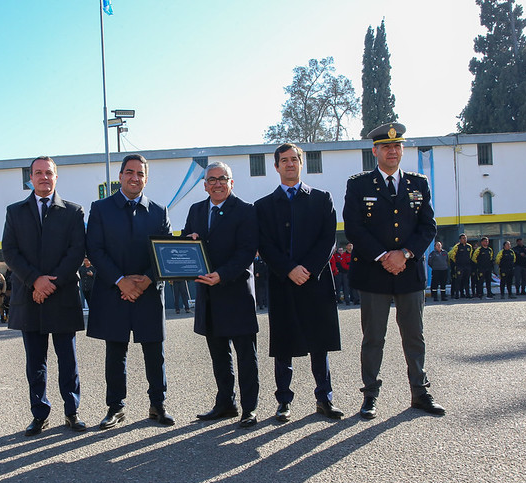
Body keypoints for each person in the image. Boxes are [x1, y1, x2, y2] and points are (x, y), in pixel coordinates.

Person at [343, 122, 445, 419]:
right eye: (386, 146)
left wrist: (405, 254)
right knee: (373, 337)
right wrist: (384, 256)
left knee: (414, 336)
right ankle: (370, 395)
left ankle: (420, 392)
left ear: (402, 150)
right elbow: (354, 228)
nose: (392, 151)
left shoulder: (418, 183)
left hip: (409, 271)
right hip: (374, 273)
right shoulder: (359, 184)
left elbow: (428, 226)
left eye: (397, 146)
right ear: (375, 151)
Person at [255, 143, 344, 422]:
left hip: (315, 281)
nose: (290, 164)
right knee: (284, 345)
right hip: (283, 283)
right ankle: (283, 401)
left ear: (301, 164)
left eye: (295, 159)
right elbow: (264, 244)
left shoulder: (322, 198)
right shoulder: (263, 206)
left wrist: (308, 268)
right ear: (276, 166)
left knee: (320, 343)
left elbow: (328, 239)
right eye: (284, 160)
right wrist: (289, 269)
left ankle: (324, 398)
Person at [86, 154, 175, 429]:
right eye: (129, 172)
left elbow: (165, 252)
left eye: (140, 173)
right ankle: (115, 407)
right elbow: (95, 249)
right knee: (115, 352)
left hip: (148, 292)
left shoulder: (159, 211)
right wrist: (121, 281)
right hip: (114, 291)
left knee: (154, 351)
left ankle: (157, 405)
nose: (134, 177)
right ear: (121, 176)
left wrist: (146, 281)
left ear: (146, 178)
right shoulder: (100, 209)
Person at [2, 155, 88, 436]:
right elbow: (10, 252)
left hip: (61, 296)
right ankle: (39, 414)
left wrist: (50, 284)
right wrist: (35, 281)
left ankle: (71, 412)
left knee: (68, 360)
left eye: (48, 173)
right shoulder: (15, 212)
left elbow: (76, 252)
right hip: (29, 297)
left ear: (56, 177)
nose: (43, 177)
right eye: (38, 173)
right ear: (30, 177)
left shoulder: (73, 212)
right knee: (35, 362)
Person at [183, 161, 260, 427]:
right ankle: (226, 403)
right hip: (209, 295)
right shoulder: (196, 210)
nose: (217, 183)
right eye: (212, 179)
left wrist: (223, 274)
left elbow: (247, 251)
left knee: (246, 356)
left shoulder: (246, 211)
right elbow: (184, 244)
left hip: (235, 292)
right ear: (205, 185)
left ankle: (249, 408)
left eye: (222, 178)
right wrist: (189, 239)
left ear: (231, 182)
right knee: (219, 355)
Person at [448, 234, 473, 298]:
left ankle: (467, 294)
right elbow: (452, 256)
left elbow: (470, 255)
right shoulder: (457, 246)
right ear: (460, 239)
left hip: (467, 266)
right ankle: (457, 294)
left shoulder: (469, 246)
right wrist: (457, 262)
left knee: (466, 280)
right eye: (463, 238)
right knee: (458, 280)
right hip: (459, 266)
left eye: (465, 238)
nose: (465, 239)